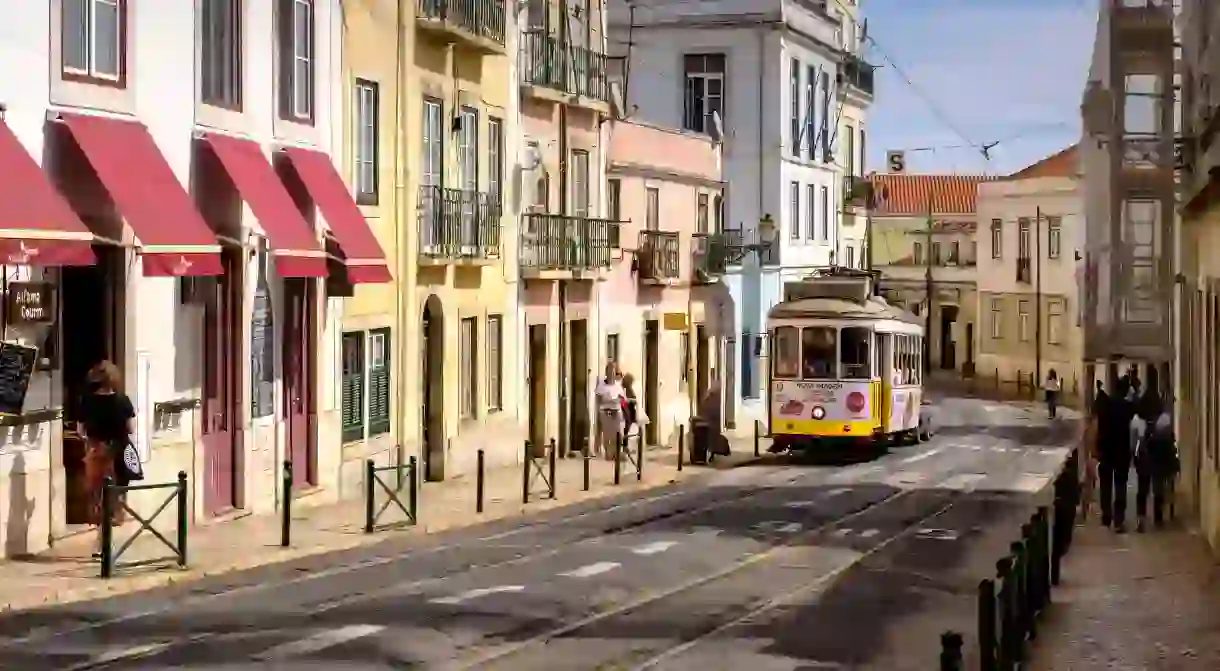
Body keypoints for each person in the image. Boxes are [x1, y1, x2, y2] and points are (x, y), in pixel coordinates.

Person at [79, 361, 136, 558]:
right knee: (113, 497)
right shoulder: (122, 401)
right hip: (116, 451)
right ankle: (105, 542)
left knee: (96, 496)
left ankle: (100, 540)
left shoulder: (86, 401)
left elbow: (81, 430)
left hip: (95, 451)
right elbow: (130, 428)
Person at [1097, 377, 1135, 532]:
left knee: (1105, 485)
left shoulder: (1106, 404)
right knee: (1120, 486)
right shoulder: (1127, 407)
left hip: (1106, 450)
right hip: (1121, 452)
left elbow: (1099, 425)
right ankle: (1119, 520)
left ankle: (1106, 516)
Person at [593, 362, 625, 460]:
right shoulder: (601, 386)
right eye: (609, 371)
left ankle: (616, 453)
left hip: (617, 412)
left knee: (618, 433)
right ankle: (608, 453)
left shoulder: (618, 386)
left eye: (613, 371)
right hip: (605, 412)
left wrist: (620, 400)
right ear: (606, 372)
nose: (611, 373)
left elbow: (623, 399)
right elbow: (598, 400)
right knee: (607, 434)